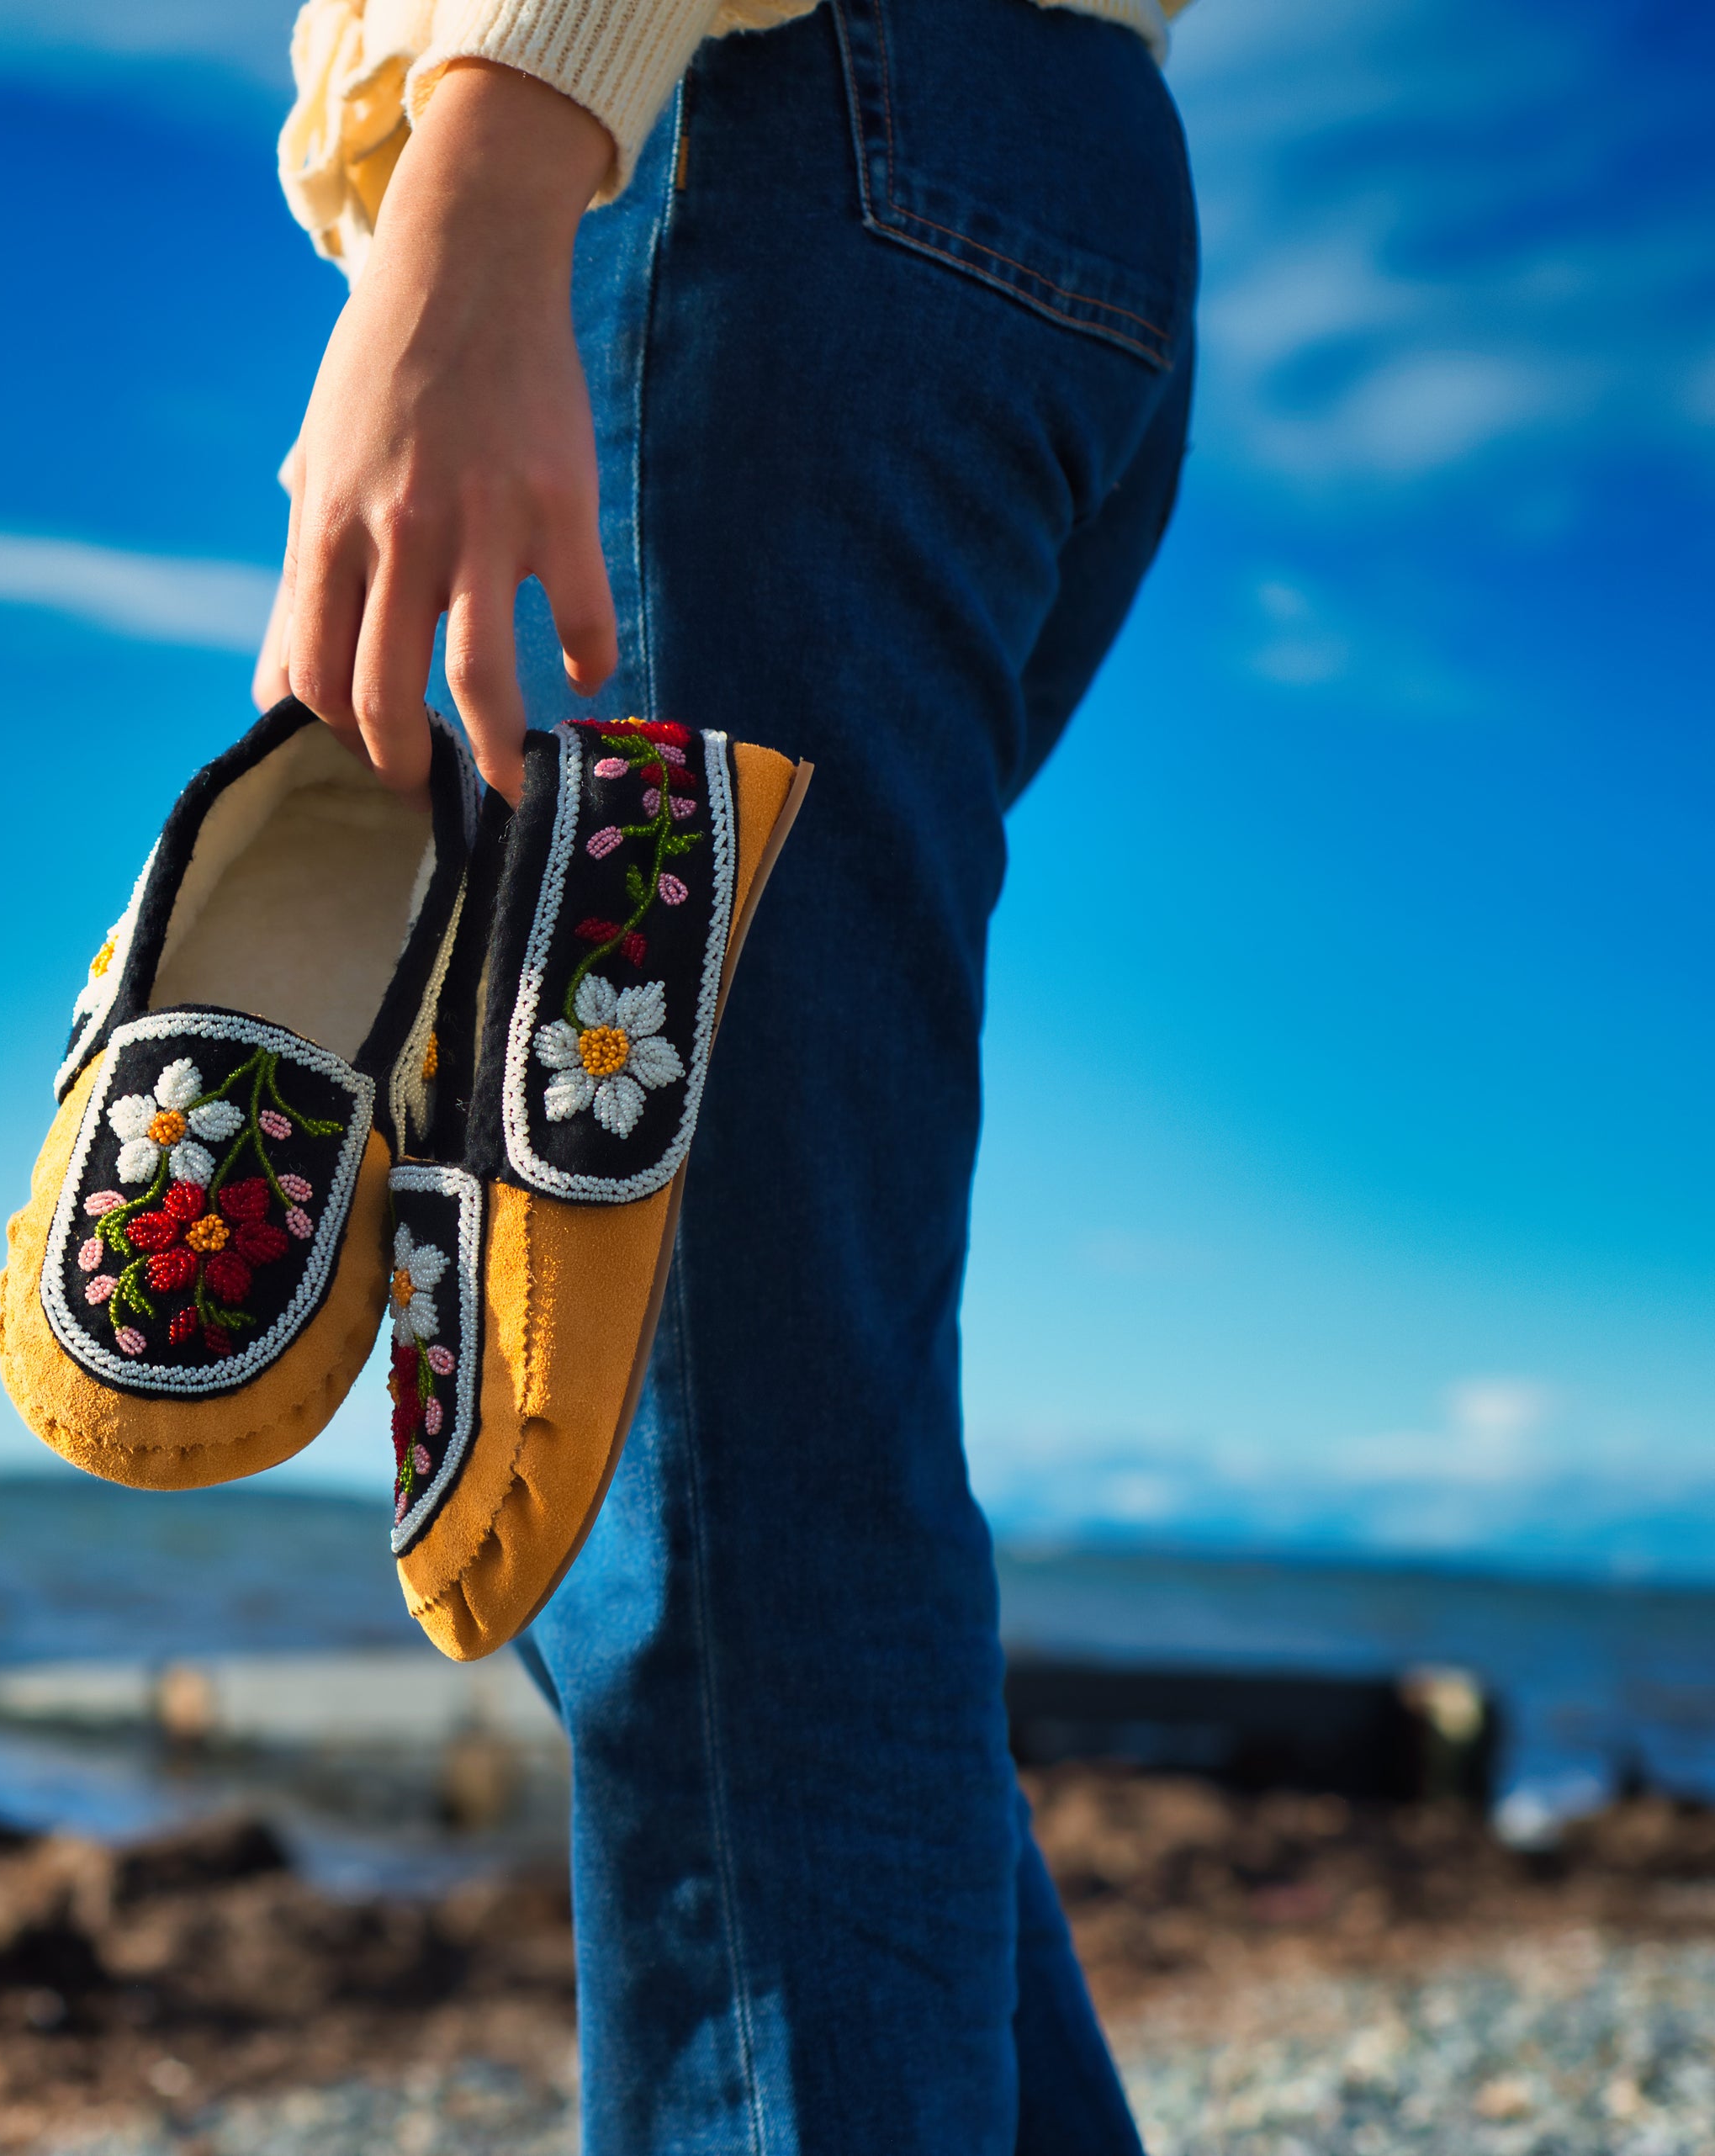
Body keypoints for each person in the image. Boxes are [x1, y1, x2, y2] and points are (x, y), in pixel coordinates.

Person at [251, 0, 1197, 2146]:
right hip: (1014, 182)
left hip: (750, 139)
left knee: (686, 1472)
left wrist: (494, 141)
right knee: (728, 1441)